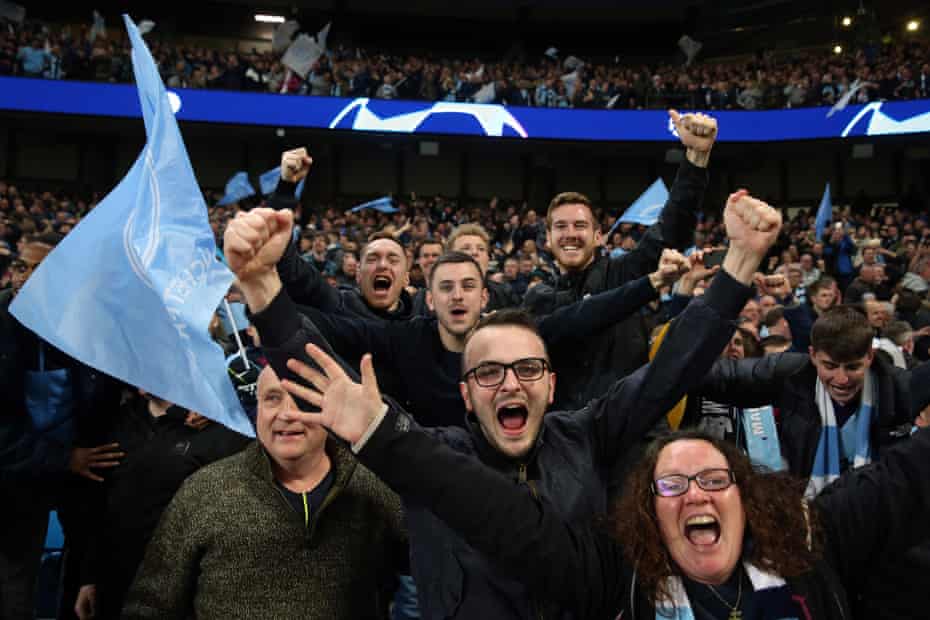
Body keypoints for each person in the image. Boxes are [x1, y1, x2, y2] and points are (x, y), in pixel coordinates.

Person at [269, 190, 780, 619]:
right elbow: (311, 363)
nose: (511, 384)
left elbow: (670, 371)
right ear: (466, 394)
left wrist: (739, 262)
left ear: (551, 386)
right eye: (489, 373)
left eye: (528, 369)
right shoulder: (425, 459)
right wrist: (259, 285)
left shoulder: (587, 435)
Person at [226, 209, 690, 429]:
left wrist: (652, 283)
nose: (457, 296)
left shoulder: (512, 336)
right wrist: (260, 286)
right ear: (429, 300)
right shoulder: (404, 339)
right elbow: (327, 324)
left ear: (484, 296)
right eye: (445, 287)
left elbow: (586, 315)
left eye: (468, 286)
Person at [121, 363, 407, 619]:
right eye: (272, 398)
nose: (287, 413)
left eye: (301, 400)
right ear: (256, 410)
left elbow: (426, 575)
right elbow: (150, 605)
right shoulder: (204, 490)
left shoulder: (375, 487)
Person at [523, 110, 718, 410]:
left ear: (598, 237)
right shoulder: (538, 297)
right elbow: (575, 320)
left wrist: (696, 159)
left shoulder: (624, 271)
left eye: (580, 226)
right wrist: (650, 284)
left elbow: (671, 230)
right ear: (548, 239)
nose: (570, 234)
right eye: (561, 227)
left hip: (627, 427)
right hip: (563, 431)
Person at [1, 238, 122, 620]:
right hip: (16, 476)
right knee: (14, 581)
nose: (27, 278)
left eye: (42, 269)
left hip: (81, 470)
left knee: (83, 577)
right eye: (22, 267)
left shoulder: (89, 325)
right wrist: (61, 458)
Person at [691, 305, 925, 495]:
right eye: (830, 366)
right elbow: (711, 376)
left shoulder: (900, 387)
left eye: (853, 367)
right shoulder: (790, 374)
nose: (842, 379)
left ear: (870, 357)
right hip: (808, 511)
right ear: (812, 355)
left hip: (881, 519)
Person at [73, 391, 249, 619]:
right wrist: (89, 576)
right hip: (115, 581)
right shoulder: (118, 421)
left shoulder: (224, 429)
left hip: (184, 588)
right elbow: (101, 506)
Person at [270, 148, 417, 322]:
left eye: (393, 260)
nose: (382, 265)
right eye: (372, 259)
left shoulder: (425, 322)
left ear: (406, 278)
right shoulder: (338, 306)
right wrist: (286, 187)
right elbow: (284, 262)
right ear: (358, 274)